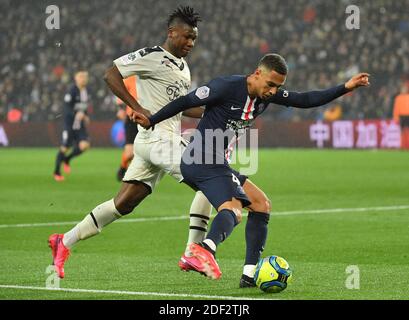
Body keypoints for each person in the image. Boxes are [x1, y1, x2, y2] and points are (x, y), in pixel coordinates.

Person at [132, 53, 370, 285]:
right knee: (233, 210)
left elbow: (304, 100)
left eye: (278, 87)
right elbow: (186, 101)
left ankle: (249, 274)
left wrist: (346, 87)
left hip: (216, 163)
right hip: (201, 158)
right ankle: (201, 252)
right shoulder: (226, 86)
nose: (273, 91)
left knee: (260, 204)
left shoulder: (267, 95)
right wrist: (151, 120)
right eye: (270, 84)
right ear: (257, 74)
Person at [48, 6, 213, 279]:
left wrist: (216, 112)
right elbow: (111, 74)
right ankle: (193, 252)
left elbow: (180, 108)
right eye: (186, 37)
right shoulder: (151, 56)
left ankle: (63, 241)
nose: (191, 43)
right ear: (171, 33)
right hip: (158, 139)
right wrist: (136, 106)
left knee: (122, 204)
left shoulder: (184, 68)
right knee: (210, 178)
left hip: (157, 143)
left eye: (194, 39)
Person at [53, 71, 91, 181]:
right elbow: (66, 108)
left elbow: (83, 107)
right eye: (81, 76)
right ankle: (56, 172)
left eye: (85, 77)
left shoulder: (86, 91)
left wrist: (86, 115)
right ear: (76, 78)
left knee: (85, 145)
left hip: (79, 125)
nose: (83, 79)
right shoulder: (72, 90)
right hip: (69, 124)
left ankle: (67, 159)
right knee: (64, 147)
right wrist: (76, 114)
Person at [115, 76, 138, 181]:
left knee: (142, 151)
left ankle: (135, 175)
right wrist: (120, 109)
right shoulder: (130, 78)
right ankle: (123, 166)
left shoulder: (151, 77)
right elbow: (119, 94)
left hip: (148, 119)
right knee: (130, 153)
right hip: (131, 118)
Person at [392, 84, 409, 149]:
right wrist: (396, 117)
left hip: (408, 115)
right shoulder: (398, 98)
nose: (404, 90)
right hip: (402, 116)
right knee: (402, 131)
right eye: (403, 89)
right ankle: (403, 145)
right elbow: (396, 108)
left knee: (407, 131)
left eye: (405, 89)